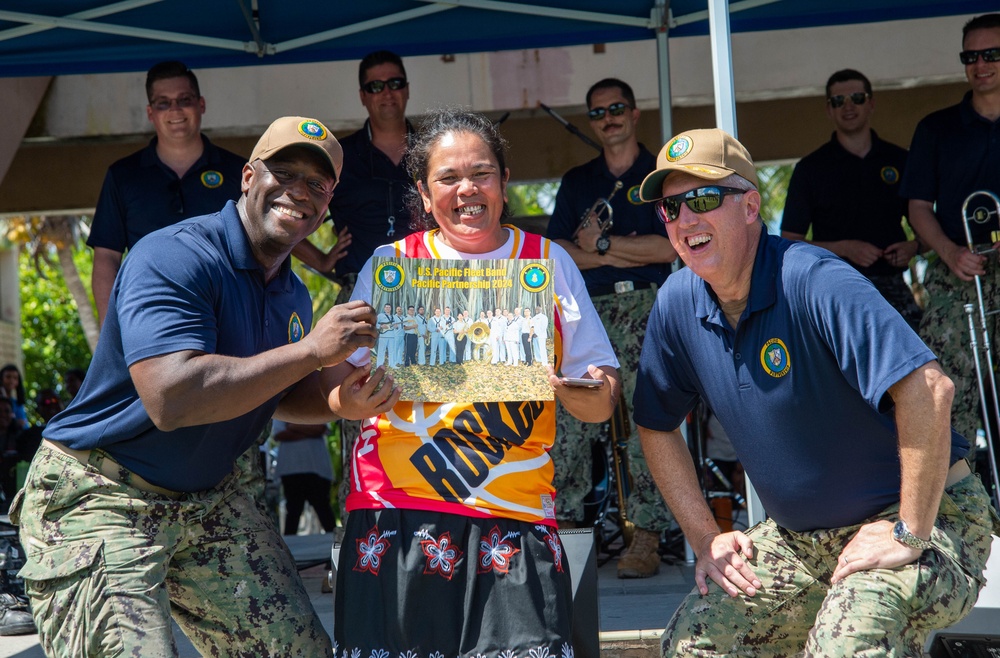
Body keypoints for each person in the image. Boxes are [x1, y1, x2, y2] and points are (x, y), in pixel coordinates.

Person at [10, 116, 398, 657]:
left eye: (317, 184)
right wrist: (311, 351)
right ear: (247, 177)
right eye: (283, 172)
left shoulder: (291, 293)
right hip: (101, 494)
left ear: (329, 201)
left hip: (209, 500)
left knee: (301, 651)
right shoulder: (175, 256)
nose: (298, 192)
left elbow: (275, 390)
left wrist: (340, 401)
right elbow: (173, 397)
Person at [633, 127, 997, 656]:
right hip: (799, 541)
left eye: (704, 198)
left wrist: (908, 531)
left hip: (932, 519)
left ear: (751, 205)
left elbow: (929, 390)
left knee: (846, 646)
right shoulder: (676, 303)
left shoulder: (813, 279)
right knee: (694, 645)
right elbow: (656, 424)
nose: (686, 219)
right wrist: (704, 536)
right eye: (670, 208)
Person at [329, 108, 621, 655]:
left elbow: (601, 401)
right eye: (448, 177)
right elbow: (338, 392)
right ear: (422, 189)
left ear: (505, 181)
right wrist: (353, 397)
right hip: (397, 511)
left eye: (482, 173)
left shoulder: (548, 263)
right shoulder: (390, 266)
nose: (468, 189)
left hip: (515, 515)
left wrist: (573, 389)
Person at [545, 77, 678, 578]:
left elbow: (670, 247)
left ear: (636, 111)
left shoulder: (659, 174)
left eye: (617, 107)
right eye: (599, 112)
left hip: (647, 306)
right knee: (573, 422)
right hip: (588, 308)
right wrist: (621, 249)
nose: (609, 118)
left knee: (647, 421)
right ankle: (562, 532)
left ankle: (645, 535)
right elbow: (561, 255)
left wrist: (600, 247)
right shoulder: (578, 180)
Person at [901, 13, 1000, 446]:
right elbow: (918, 206)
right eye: (971, 56)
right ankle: (963, 509)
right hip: (956, 271)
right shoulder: (935, 128)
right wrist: (949, 251)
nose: (980, 64)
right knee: (945, 393)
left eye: (992, 54)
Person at [87, 61, 246, 328]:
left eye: (184, 99)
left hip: (227, 313)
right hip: (149, 315)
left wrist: (321, 260)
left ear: (201, 104)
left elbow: (264, 240)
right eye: (163, 103)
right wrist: (109, 331)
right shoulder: (123, 175)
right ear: (150, 112)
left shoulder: (239, 171)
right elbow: (107, 257)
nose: (175, 110)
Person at [781, 69, 922, 330]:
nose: (848, 106)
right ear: (829, 110)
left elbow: (926, 226)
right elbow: (789, 241)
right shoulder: (810, 168)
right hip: (834, 287)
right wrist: (845, 249)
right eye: (838, 101)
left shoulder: (900, 160)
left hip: (893, 287)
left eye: (857, 98)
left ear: (870, 103)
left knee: (921, 363)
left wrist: (913, 247)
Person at [272, 420, 337, 535]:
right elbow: (279, 434)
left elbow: (321, 428)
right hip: (291, 468)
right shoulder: (281, 404)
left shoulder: (318, 402)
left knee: (323, 508)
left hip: (317, 468)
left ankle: (338, 546)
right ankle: (290, 549)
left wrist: (293, 426)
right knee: (293, 511)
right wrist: (310, 429)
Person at [0, 365, 27, 430]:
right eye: (8, 377)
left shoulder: (18, 404)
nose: (11, 380)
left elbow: (24, 425)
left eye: (15, 378)